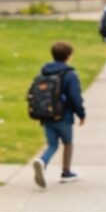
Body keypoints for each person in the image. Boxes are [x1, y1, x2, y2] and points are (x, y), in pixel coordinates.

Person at [31, 41, 86, 189]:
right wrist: (81, 114)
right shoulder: (69, 74)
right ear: (69, 56)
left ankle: (42, 161)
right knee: (68, 143)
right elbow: (75, 97)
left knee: (52, 144)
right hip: (64, 116)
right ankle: (66, 172)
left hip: (46, 115)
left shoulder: (44, 72)